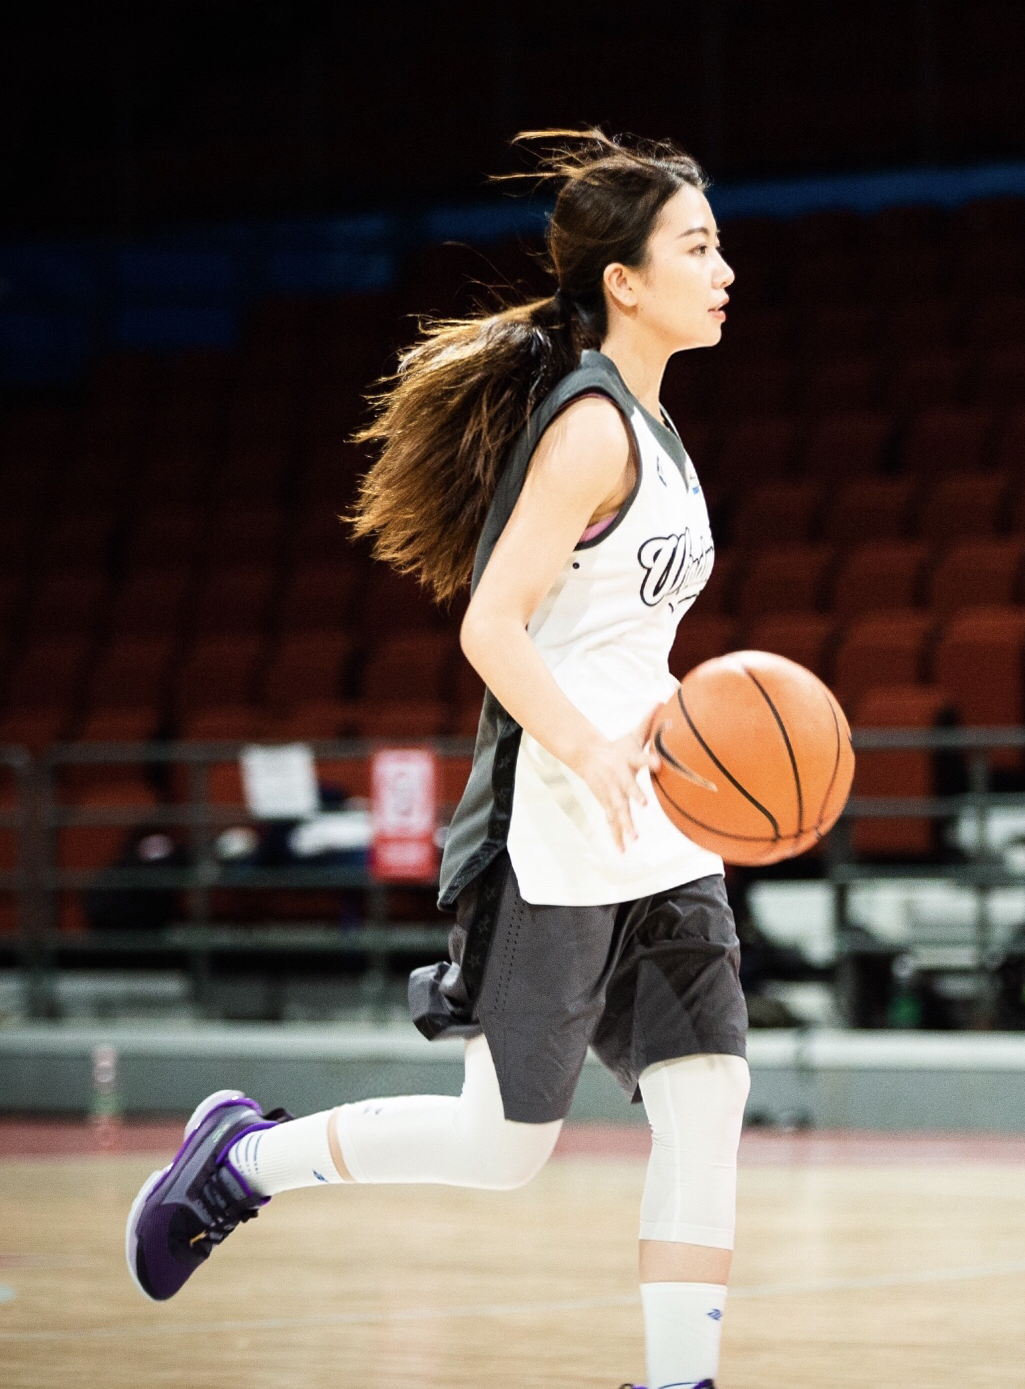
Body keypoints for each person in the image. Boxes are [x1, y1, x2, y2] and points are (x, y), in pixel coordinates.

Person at [126, 130, 749, 1389]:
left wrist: (682, 731)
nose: (723, 269)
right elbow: (490, 626)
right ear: (623, 281)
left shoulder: (662, 428)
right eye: (696, 247)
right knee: (501, 1144)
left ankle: (677, 1379)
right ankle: (237, 1163)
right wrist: (589, 746)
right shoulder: (591, 428)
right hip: (555, 828)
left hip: (659, 826)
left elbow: (612, 639)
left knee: (708, 1099)